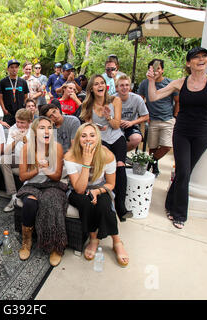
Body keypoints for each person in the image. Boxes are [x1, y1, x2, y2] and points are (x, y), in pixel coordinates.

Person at [146, 47, 207, 229]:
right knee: (183, 170)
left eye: (204, 56)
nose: (202, 59)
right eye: (197, 57)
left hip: (203, 132)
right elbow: (153, 97)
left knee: (186, 171)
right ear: (188, 63)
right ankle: (180, 214)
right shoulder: (180, 83)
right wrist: (151, 81)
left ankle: (170, 203)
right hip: (182, 131)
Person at [65, 122, 129, 267]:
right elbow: (79, 189)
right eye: (84, 135)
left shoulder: (107, 155)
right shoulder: (70, 156)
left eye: (92, 135)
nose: (88, 139)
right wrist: (86, 163)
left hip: (99, 188)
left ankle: (116, 241)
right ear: (78, 138)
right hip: (77, 189)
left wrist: (96, 191)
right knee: (85, 202)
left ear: (98, 138)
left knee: (105, 204)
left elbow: (111, 184)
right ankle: (94, 239)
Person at [80, 74, 132, 222]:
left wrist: (108, 117)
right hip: (100, 139)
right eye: (96, 84)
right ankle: (109, 202)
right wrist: (96, 127)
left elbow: (116, 125)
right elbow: (89, 127)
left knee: (120, 166)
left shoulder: (115, 101)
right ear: (91, 88)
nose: (100, 85)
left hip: (116, 137)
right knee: (107, 169)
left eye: (102, 83)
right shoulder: (88, 105)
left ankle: (121, 207)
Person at [16, 116, 67, 267]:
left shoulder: (56, 147)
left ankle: (56, 246)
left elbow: (57, 176)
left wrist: (46, 168)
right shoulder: (27, 148)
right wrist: (38, 168)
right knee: (30, 203)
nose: (46, 131)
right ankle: (27, 241)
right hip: (32, 184)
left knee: (52, 201)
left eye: (49, 128)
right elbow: (22, 176)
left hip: (52, 184)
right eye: (42, 128)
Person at [138, 59, 179, 176]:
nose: (155, 71)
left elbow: (177, 101)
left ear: (162, 70)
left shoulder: (170, 83)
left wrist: (175, 116)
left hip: (168, 119)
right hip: (153, 119)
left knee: (166, 146)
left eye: (158, 68)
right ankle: (154, 167)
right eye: (152, 69)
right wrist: (145, 115)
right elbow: (140, 100)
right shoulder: (144, 83)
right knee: (153, 146)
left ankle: (150, 162)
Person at [1, 108, 33, 212]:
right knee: (3, 159)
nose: (19, 125)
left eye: (22, 123)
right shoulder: (13, 129)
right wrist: (16, 140)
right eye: (17, 122)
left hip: (32, 160)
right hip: (19, 159)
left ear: (30, 122)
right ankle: (13, 195)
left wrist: (24, 140)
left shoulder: (35, 129)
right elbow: (7, 152)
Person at [115, 75, 149, 151]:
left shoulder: (137, 99)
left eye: (127, 85)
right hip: (114, 125)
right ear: (117, 88)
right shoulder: (111, 99)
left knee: (137, 138)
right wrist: (116, 121)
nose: (124, 87)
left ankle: (120, 154)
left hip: (130, 125)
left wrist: (132, 122)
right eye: (122, 85)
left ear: (130, 87)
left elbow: (146, 116)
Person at [0, 59, 29, 127]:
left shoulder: (23, 82)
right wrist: (4, 110)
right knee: (7, 133)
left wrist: (23, 107)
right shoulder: (3, 82)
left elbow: (26, 96)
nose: (14, 69)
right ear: (8, 69)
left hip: (20, 113)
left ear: (18, 68)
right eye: (12, 67)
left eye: (16, 67)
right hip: (8, 113)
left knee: (21, 132)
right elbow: (0, 98)